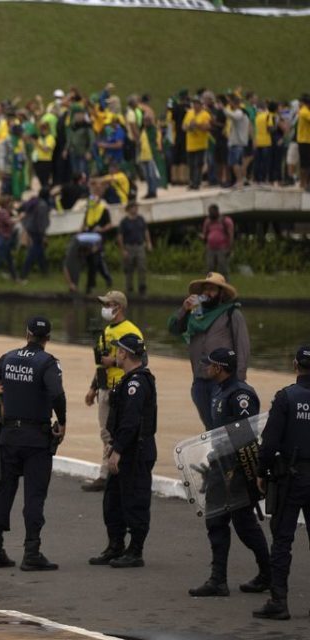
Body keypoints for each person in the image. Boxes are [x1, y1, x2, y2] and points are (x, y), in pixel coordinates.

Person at [0, 316, 66, 571]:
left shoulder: (8, 357)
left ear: (27, 333)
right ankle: (31, 552)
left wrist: (2, 389)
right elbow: (56, 393)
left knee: (4, 491)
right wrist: (62, 421)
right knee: (34, 495)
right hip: (35, 439)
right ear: (48, 339)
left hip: (8, 435)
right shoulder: (48, 363)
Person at [187, 348, 270, 597]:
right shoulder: (218, 390)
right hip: (218, 466)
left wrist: (236, 470)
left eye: (210, 364)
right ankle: (218, 580)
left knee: (244, 524)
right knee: (215, 521)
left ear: (220, 368)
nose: (206, 368)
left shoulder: (241, 395)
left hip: (236, 469)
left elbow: (244, 436)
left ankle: (268, 573)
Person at [88, 334, 156, 569]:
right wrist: (111, 443)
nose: (115, 354)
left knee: (135, 499)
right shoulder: (128, 380)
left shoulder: (137, 383)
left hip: (135, 450)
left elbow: (132, 421)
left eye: (118, 351)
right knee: (113, 500)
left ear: (125, 354)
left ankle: (135, 550)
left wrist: (117, 450)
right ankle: (115, 545)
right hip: (123, 446)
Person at [252, 346, 310, 620]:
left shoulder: (286, 397)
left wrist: (261, 472)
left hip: (291, 476)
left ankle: (279, 601)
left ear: (295, 364)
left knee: (282, 541)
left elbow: (270, 442)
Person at [167, 272, 250, 429]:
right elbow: (174, 328)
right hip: (200, 381)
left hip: (224, 382)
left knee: (226, 427)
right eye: (205, 289)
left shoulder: (232, 313)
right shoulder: (195, 314)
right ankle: (216, 453)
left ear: (221, 293)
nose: (207, 293)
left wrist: (239, 381)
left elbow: (243, 348)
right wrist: (184, 309)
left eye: (212, 289)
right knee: (210, 427)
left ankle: (227, 454)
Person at [82, 291, 144, 492]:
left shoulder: (131, 330)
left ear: (119, 306)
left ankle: (111, 472)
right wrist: (93, 388)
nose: (105, 308)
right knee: (106, 432)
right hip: (105, 388)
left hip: (123, 387)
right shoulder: (106, 330)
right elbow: (101, 362)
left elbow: (141, 359)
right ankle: (108, 471)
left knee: (120, 430)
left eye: (108, 304)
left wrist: (115, 361)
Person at [117, 202, 152, 296]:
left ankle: (142, 287)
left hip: (140, 246)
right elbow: (120, 236)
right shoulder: (124, 221)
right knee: (129, 268)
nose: (136, 209)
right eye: (133, 207)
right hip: (129, 247)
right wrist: (123, 250)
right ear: (129, 209)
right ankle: (129, 288)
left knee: (142, 267)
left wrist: (148, 243)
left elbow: (145, 231)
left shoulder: (141, 219)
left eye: (136, 207)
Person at [17, 191, 51, 282]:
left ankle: (44, 271)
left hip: (30, 227)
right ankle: (23, 274)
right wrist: (43, 235)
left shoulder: (35, 201)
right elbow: (41, 222)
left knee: (40, 251)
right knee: (33, 251)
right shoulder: (43, 205)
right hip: (37, 230)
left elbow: (21, 208)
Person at [183, 96, 212, 190]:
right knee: (191, 164)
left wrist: (197, 125)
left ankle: (197, 182)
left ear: (201, 105)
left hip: (200, 144)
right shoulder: (189, 113)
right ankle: (191, 182)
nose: (195, 105)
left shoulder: (205, 114)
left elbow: (207, 127)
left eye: (197, 103)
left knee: (198, 164)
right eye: (194, 103)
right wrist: (188, 127)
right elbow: (183, 126)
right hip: (190, 144)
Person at [201, 205, 233, 278]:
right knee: (210, 267)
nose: (210, 214)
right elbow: (205, 234)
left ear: (217, 211)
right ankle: (209, 283)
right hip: (210, 248)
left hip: (222, 248)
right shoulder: (208, 221)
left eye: (212, 212)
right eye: (209, 212)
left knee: (223, 268)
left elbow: (230, 235)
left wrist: (230, 248)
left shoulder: (225, 221)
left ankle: (224, 284)